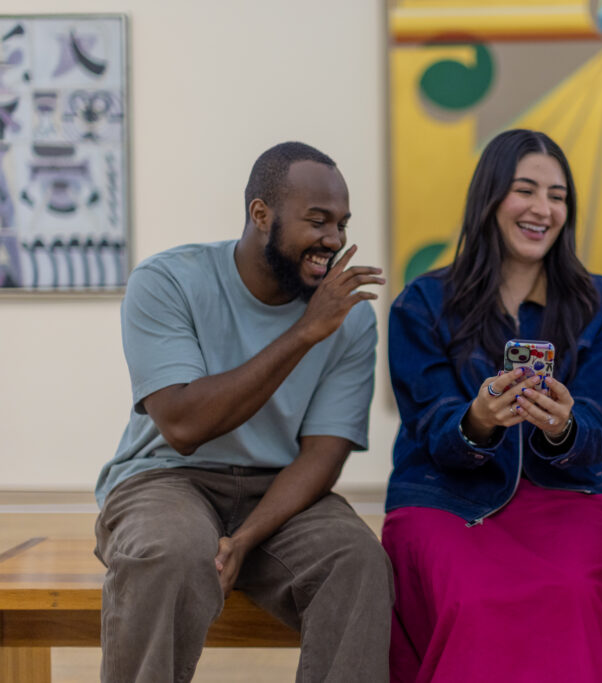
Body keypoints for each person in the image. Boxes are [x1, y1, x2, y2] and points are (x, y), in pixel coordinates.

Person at [94, 142, 394, 682]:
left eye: (343, 224)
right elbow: (184, 426)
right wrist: (304, 333)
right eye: (318, 221)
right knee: (168, 552)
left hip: (281, 492)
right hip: (166, 479)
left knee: (358, 562)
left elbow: (323, 454)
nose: (334, 239)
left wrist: (247, 538)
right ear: (261, 214)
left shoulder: (348, 319)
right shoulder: (168, 282)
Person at [383, 129, 602, 683]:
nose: (542, 209)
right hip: (448, 502)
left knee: (575, 592)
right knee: (473, 601)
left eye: (558, 196)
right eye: (525, 190)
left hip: (565, 498)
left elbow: (600, 425)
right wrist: (477, 423)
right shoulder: (422, 304)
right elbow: (430, 423)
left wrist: (563, 428)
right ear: (490, 198)